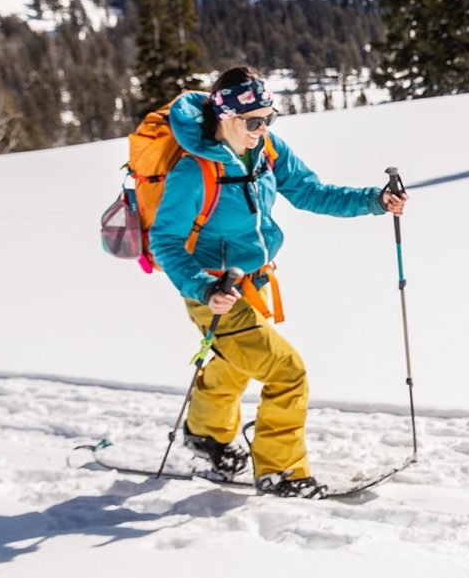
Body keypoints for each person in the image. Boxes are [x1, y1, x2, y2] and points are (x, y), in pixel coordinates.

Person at [148, 66, 406, 497]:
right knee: (287, 371)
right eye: (254, 121)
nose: (263, 128)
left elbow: (311, 192)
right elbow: (165, 240)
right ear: (226, 117)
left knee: (237, 362)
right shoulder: (194, 172)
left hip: (254, 282)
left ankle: (206, 432)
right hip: (215, 291)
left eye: (269, 118)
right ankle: (280, 472)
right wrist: (202, 288)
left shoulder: (267, 149)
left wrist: (374, 201)